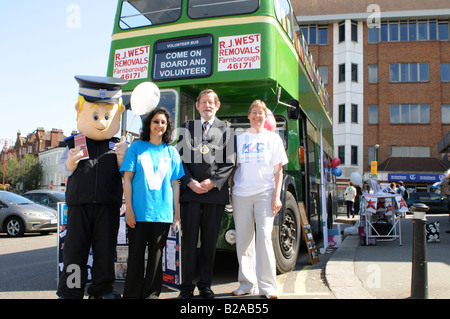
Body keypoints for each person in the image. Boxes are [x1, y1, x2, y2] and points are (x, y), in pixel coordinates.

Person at [57, 75, 128, 299]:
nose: (102, 121)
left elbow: (126, 174)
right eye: (96, 115)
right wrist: (70, 162)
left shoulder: (118, 145)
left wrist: (121, 160)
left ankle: (102, 289)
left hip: (108, 205)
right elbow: (63, 171)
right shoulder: (72, 143)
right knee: (75, 251)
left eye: (108, 115)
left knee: (105, 251)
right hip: (79, 205)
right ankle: (71, 290)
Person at [176, 89, 236, 299]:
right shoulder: (186, 128)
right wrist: (189, 182)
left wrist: (213, 182)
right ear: (197, 106)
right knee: (189, 242)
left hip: (214, 195)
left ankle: (205, 285)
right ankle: (185, 288)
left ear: (217, 106)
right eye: (203, 102)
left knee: (209, 243)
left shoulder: (227, 130)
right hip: (191, 194)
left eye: (211, 102)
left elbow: (229, 162)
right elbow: (180, 161)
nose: (207, 105)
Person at [120, 107, 184, 299]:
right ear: (149, 123)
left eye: (163, 122)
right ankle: (132, 295)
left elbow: (175, 184)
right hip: (138, 213)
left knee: (156, 259)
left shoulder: (171, 152)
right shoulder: (136, 148)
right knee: (136, 257)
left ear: (167, 127)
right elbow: (128, 179)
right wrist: (129, 210)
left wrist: (177, 215)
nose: (159, 125)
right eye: (156, 121)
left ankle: (151, 295)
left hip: (162, 214)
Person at [231, 99, 288, 299]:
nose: (257, 116)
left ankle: (268, 287)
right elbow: (233, 169)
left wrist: (277, 197)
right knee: (244, 240)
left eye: (261, 113)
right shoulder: (239, 139)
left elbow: (278, 172)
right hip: (241, 195)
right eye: (253, 112)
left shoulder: (273, 139)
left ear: (266, 117)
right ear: (249, 116)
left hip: (265, 194)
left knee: (264, 239)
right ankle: (247, 284)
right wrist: (231, 193)